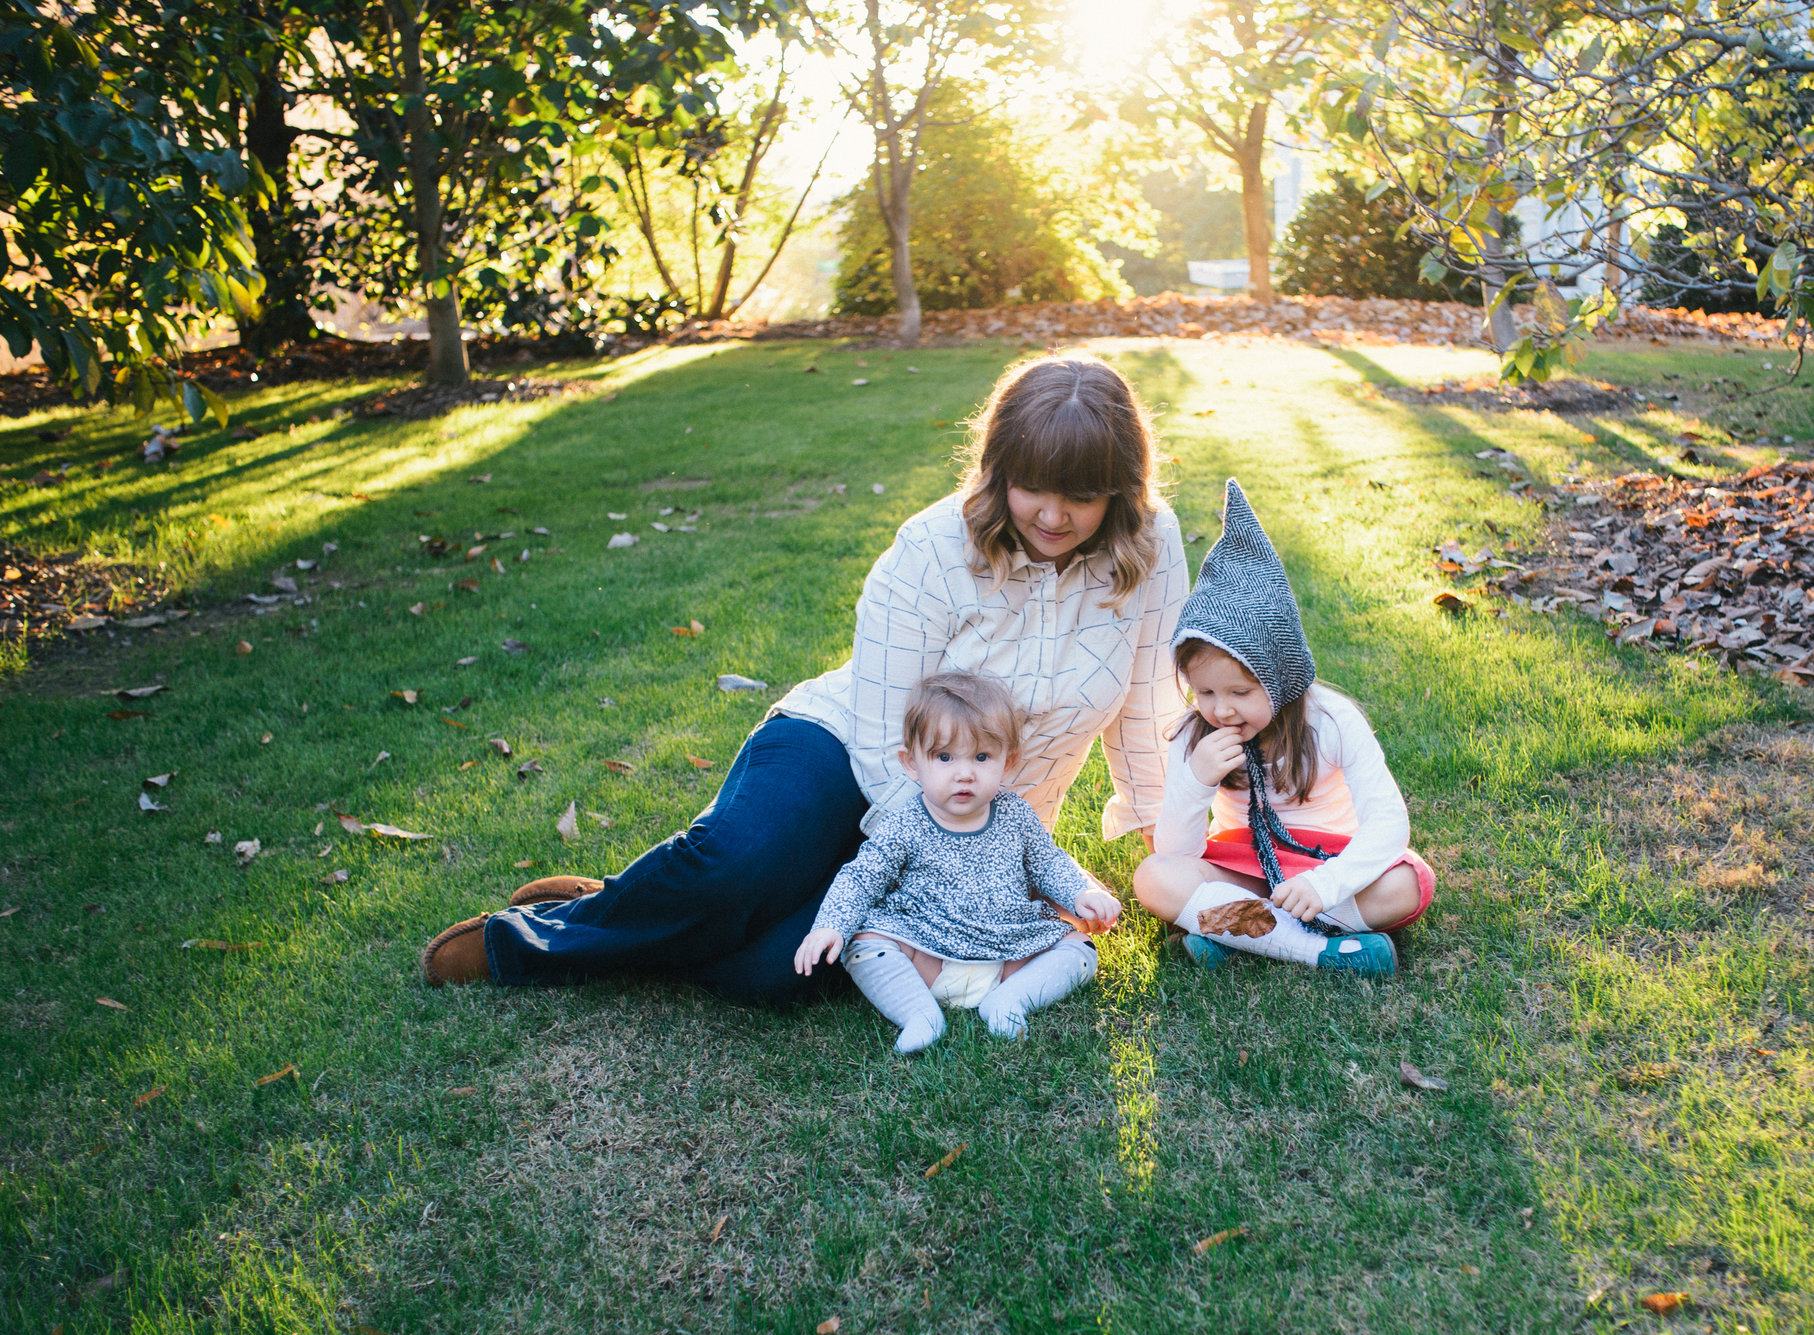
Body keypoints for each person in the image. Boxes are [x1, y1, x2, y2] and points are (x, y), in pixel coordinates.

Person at [417, 354, 1187, 999]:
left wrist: (1166, 841)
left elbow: (1150, 705)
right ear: (999, 468)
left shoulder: (1150, 547)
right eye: (1034, 489)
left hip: (982, 808)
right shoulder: (931, 548)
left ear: (1119, 491)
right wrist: (939, 867)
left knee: (775, 973)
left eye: (1082, 496)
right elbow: (888, 737)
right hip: (846, 748)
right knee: (735, 868)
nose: (1053, 515)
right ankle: (525, 942)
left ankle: (640, 903)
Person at [1132, 480, 1433, 976]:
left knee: (1404, 884)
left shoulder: (1331, 720)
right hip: (1245, 867)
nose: (1222, 711)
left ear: (1280, 674)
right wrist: (1194, 781)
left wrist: (1325, 885)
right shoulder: (1195, 735)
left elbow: (1388, 822)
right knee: (1155, 876)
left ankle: (1240, 934)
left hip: (1329, 863)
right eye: (1205, 693)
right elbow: (1178, 851)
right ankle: (1324, 952)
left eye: (1241, 693)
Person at [793, 671, 1117, 1051]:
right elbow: (861, 879)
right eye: (944, 757)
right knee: (862, 942)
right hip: (926, 954)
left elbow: (1047, 863)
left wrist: (1080, 892)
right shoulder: (905, 824)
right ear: (912, 764)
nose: (964, 773)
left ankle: (1011, 1001)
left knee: (1080, 949)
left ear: (1007, 763)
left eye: (981, 757)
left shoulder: (1015, 814)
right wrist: (830, 925)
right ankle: (919, 1014)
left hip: (1008, 953)